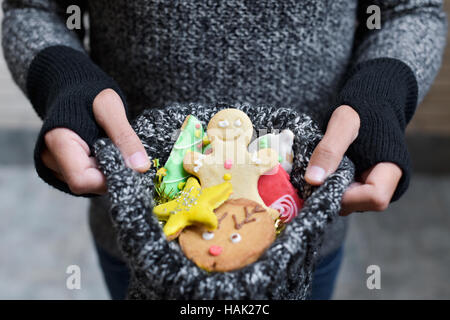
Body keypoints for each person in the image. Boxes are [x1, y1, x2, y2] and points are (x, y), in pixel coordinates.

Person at [2, 0, 447, 300]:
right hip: (140, 229)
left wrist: (381, 93)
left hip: (303, 230)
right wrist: (67, 81)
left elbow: (413, 9)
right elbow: (32, 8)